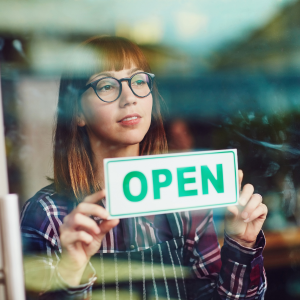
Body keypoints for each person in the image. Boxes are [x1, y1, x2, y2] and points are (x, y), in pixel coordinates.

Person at [21, 36, 268, 300]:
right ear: (77, 112)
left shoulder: (183, 197)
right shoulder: (47, 215)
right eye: (106, 85)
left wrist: (241, 245)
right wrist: (69, 273)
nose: (129, 98)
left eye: (139, 81)